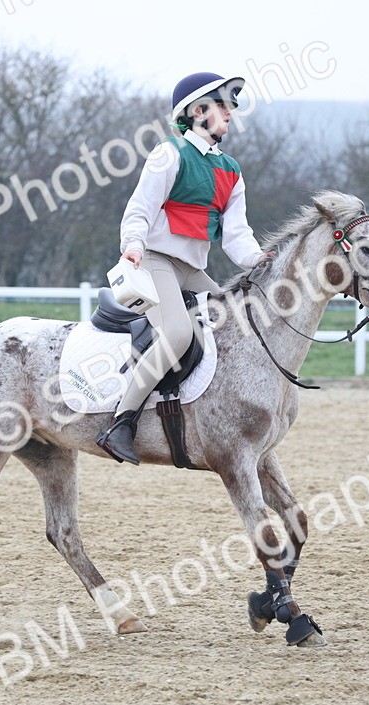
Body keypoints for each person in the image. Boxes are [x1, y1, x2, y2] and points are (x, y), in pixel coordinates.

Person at [96, 72, 267, 465]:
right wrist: (134, 248)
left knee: (238, 324)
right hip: (156, 261)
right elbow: (139, 210)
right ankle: (121, 421)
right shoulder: (169, 154)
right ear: (196, 111)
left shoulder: (232, 170)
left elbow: (237, 234)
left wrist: (260, 261)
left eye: (231, 105)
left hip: (192, 269)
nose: (231, 111)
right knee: (175, 332)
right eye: (223, 104)